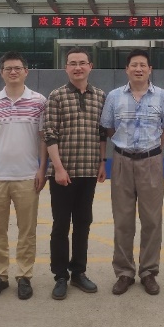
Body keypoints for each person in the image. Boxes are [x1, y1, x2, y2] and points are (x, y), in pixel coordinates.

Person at [100, 49, 164, 296]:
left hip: (151, 162)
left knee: (152, 220)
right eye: (134, 65)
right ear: (127, 69)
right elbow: (108, 128)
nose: (138, 69)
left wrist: (153, 148)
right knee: (123, 220)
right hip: (122, 161)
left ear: (150, 69)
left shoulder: (162, 96)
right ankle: (124, 272)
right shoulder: (114, 96)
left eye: (143, 65)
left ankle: (149, 272)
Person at [0, 51, 47, 300]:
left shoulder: (39, 101)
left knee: (27, 231)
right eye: (8, 68)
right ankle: (0, 276)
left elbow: (44, 139)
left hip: (28, 177)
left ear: (26, 71)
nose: (13, 72)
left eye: (18, 68)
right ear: (2, 73)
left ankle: (24, 276)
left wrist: (42, 169)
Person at [42, 47, 108, 301]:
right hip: (62, 174)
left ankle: (79, 272)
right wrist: (58, 168)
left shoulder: (100, 96)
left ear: (90, 66)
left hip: (88, 172)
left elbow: (102, 133)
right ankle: (60, 276)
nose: (77, 67)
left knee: (83, 224)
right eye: (72, 63)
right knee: (61, 225)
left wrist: (102, 163)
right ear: (66, 68)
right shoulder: (56, 96)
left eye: (82, 63)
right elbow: (50, 134)